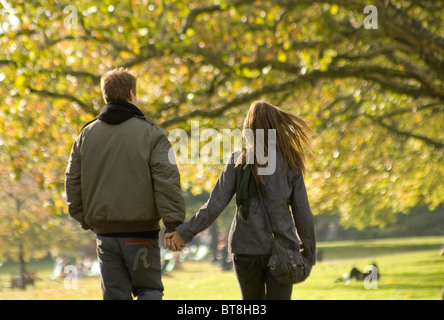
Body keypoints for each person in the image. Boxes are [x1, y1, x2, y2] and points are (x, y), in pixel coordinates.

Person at [165, 101, 316, 300]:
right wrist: (308, 253)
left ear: (249, 127)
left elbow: (214, 205)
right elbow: (302, 213)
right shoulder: (290, 163)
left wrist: (184, 233)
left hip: (245, 249)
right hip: (283, 249)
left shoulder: (238, 161)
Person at [65, 67, 185, 300]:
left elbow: (72, 182)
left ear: (105, 96)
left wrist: (85, 219)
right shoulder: (151, 134)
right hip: (141, 232)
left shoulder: (85, 136)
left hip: (105, 233)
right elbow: (166, 181)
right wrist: (173, 224)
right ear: (131, 94)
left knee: (115, 296)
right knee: (148, 290)